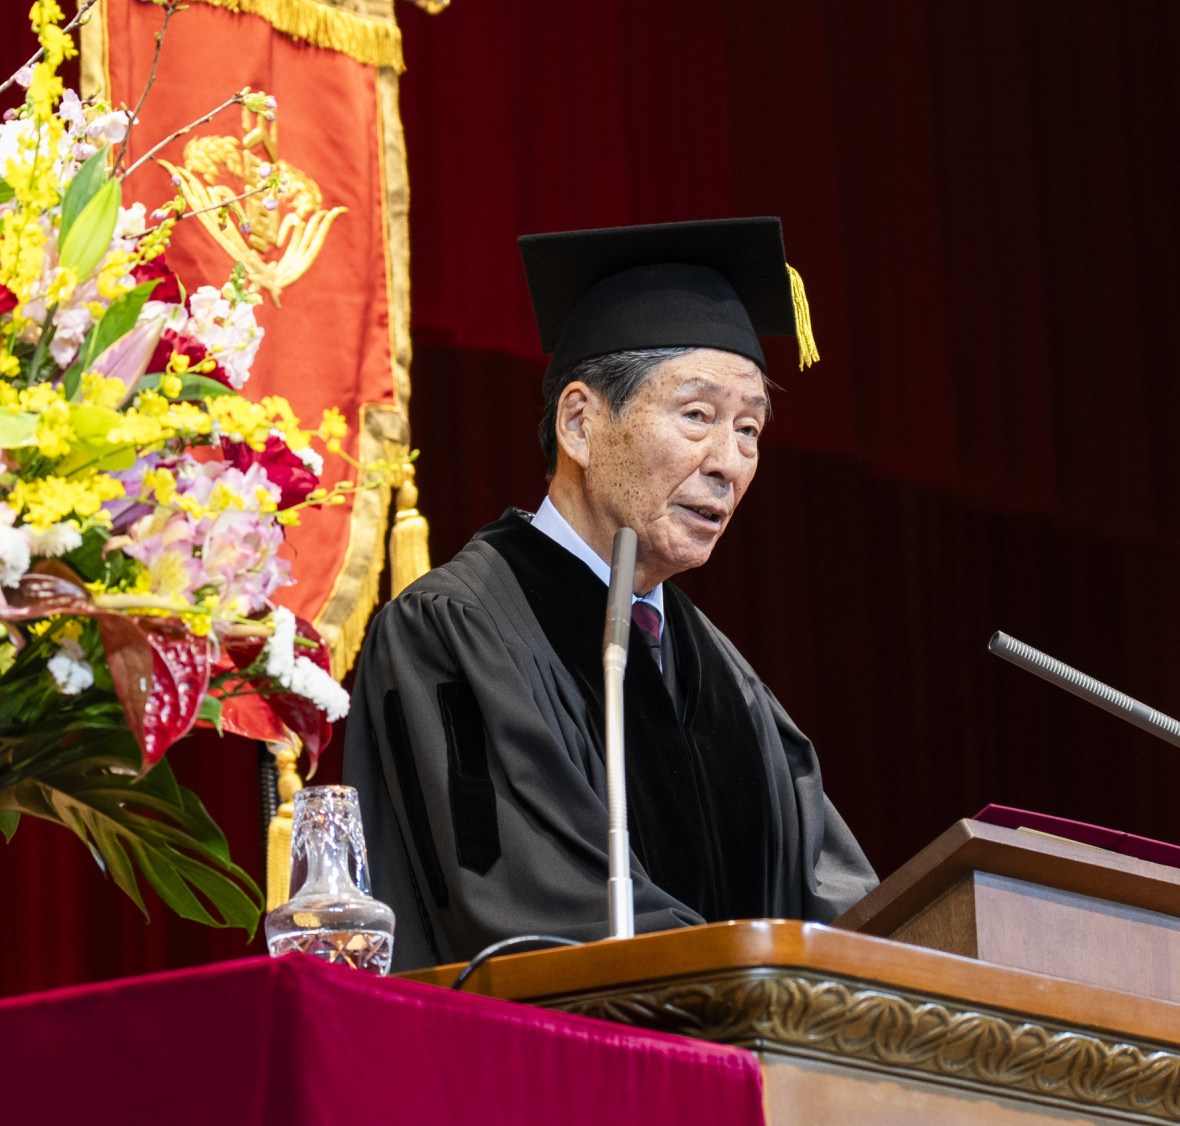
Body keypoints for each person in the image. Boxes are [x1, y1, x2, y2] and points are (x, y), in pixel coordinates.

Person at [345, 217, 877, 971]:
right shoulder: (451, 633)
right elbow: (522, 903)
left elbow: (847, 910)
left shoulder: (729, 684)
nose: (730, 461)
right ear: (581, 423)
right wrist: (751, 971)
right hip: (553, 1075)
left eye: (750, 428)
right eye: (697, 416)